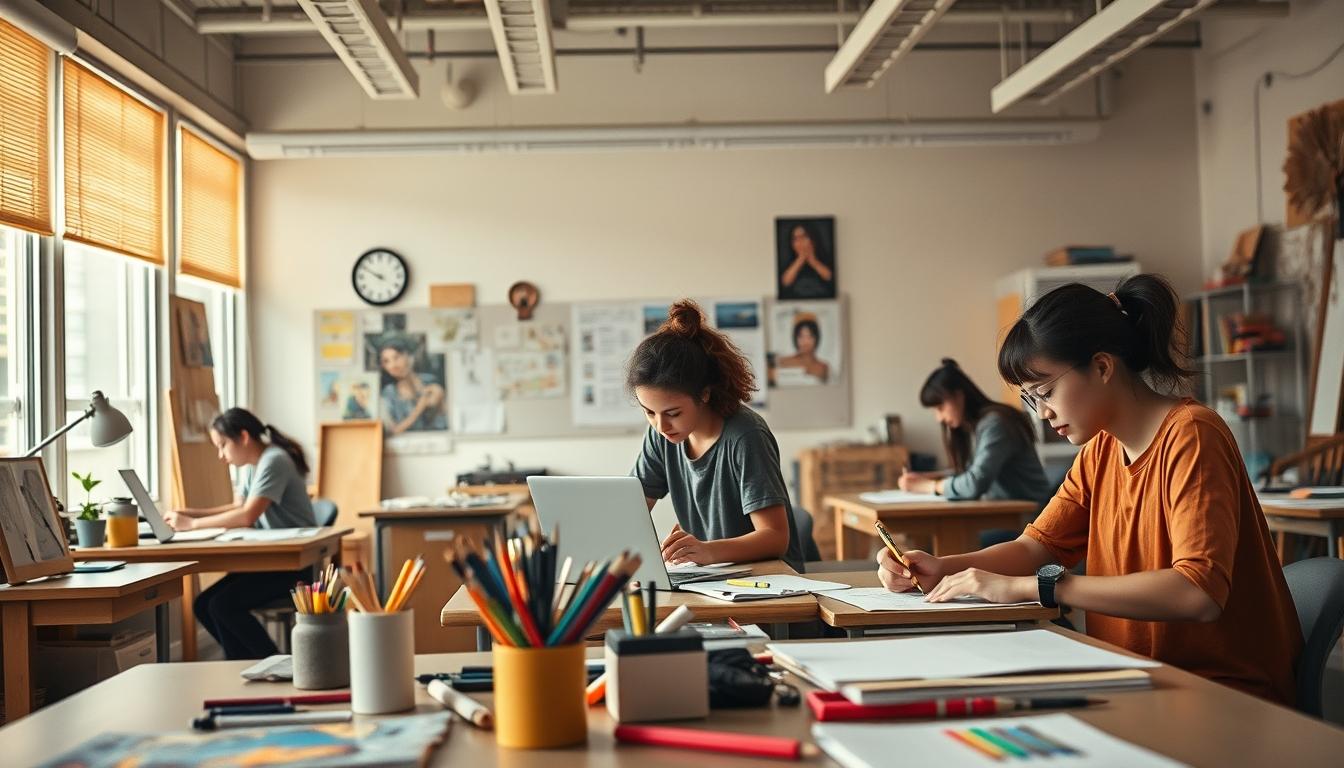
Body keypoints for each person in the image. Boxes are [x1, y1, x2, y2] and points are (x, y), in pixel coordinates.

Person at [876, 274, 1301, 705]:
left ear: (1101, 366)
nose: (1042, 413)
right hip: (1131, 677)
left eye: (1046, 391)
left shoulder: (1192, 434)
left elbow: (1198, 592)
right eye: (1030, 399)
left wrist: (1042, 588)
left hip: (1221, 692)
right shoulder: (1101, 448)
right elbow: (1037, 547)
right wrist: (943, 569)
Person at [629, 299, 805, 572]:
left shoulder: (746, 436)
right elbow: (629, 510)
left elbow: (775, 538)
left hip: (770, 583)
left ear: (704, 394)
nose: (660, 426)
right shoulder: (662, 437)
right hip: (711, 580)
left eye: (673, 413)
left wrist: (706, 550)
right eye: (649, 412)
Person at [164, 408, 317, 659]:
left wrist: (191, 525)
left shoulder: (274, 460)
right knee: (203, 605)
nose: (221, 455)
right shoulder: (251, 466)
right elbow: (238, 508)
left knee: (222, 606)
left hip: (293, 565)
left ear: (243, 437)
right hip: (270, 561)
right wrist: (191, 514)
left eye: (223, 445)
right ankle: (246, 663)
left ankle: (271, 661)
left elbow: (247, 516)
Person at [898, 358, 1052, 512]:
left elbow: (974, 483)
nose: (939, 418)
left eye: (940, 407)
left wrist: (927, 486)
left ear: (959, 396)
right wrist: (928, 477)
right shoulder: (973, 428)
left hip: (1032, 517)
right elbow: (968, 472)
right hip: (1006, 515)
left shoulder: (996, 423)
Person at [377, 334, 446, 434]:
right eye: (386, 361)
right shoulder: (389, 393)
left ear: (408, 356)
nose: (393, 365)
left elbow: (443, 420)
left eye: (396, 357)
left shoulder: (430, 381)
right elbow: (393, 431)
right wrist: (420, 407)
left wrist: (439, 403)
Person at [778, 221, 835, 300]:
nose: (800, 242)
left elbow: (829, 277)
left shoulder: (825, 257)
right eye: (795, 239)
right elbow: (785, 282)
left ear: (813, 239)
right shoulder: (788, 261)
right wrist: (801, 259)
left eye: (803, 237)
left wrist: (812, 260)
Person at [771, 314, 830, 384]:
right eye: (801, 336)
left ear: (816, 338)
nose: (805, 342)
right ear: (795, 338)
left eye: (810, 336)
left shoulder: (823, 367)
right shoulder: (783, 362)